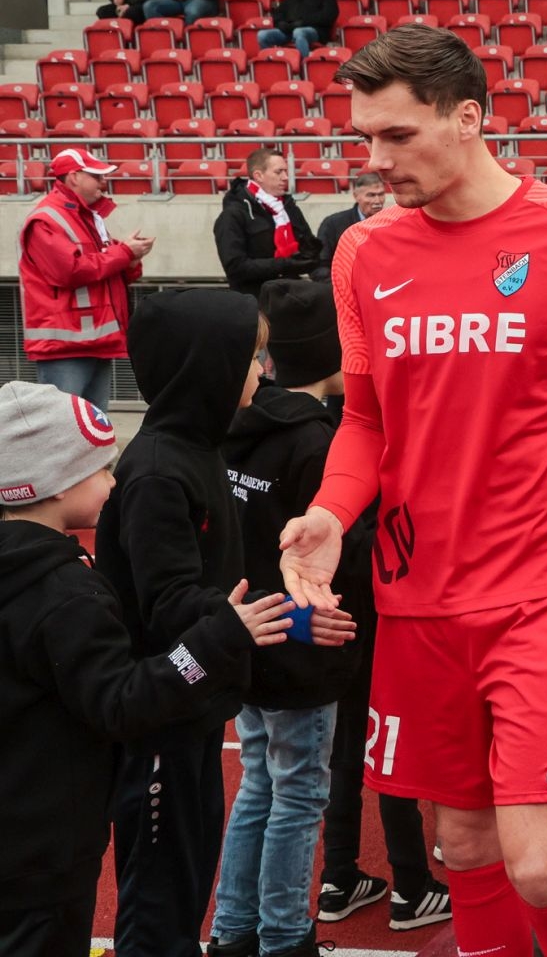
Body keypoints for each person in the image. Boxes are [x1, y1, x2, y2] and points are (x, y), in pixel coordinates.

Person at [272, 24, 547, 957]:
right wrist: (331, 514)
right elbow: (366, 422)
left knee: (539, 865)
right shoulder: (361, 253)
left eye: (397, 135)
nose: (375, 160)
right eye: (365, 137)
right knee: (462, 846)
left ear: (468, 118)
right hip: (419, 597)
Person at [0, 382, 292, 957]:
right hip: (47, 849)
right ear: (56, 482)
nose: (114, 482)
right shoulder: (67, 596)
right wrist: (214, 642)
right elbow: (123, 702)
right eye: (100, 469)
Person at [94, 291, 288, 956]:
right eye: (250, 357)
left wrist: (282, 617)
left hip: (196, 705)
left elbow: (212, 580)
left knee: (188, 874)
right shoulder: (157, 471)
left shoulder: (201, 447)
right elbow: (170, 601)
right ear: (208, 368)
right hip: (161, 711)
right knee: (158, 892)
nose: (262, 370)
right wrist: (259, 620)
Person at [208, 281, 363, 957]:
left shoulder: (236, 426)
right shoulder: (321, 443)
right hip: (301, 644)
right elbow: (341, 553)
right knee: (299, 794)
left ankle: (233, 929)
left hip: (248, 636)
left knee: (258, 784)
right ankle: (284, 935)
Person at [18, 147, 152, 411]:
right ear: (74, 177)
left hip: (93, 341)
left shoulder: (86, 217)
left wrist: (130, 261)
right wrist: (125, 253)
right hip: (65, 346)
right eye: (96, 176)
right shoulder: (48, 219)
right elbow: (70, 271)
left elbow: (104, 268)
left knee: (91, 424)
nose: (103, 182)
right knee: (63, 424)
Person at [214, 149, 320, 297]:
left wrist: (311, 254)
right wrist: (284, 264)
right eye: (278, 172)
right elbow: (236, 268)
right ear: (259, 175)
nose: (285, 177)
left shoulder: (288, 207)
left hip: (291, 295)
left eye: (285, 171)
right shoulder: (233, 215)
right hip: (254, 299)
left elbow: (308, 247)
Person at [313, 171, 386, 284]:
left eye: (381, 194)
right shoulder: (333, 224)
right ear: (356, 196)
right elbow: (320, 267)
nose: (378, 201)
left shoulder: (393, 223)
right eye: (371, 195)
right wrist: (342, 286)